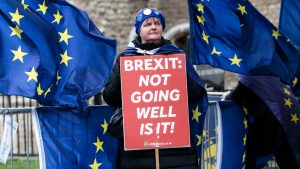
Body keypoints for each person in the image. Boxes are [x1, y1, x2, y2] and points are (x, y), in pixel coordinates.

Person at [102, 8, 207, 169]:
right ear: (139, 30)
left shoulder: (177, 56)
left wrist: (175, 71)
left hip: (175, 149)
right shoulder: (125, 58)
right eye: (147, 24)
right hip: (136, 150)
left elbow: (197, 93)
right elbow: (110, 97)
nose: (153, 27)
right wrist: (125, 74)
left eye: (157, 23)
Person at [223, 74, 300, 169]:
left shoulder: (249, 74)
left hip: (275, 120)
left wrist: (228, 95)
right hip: (286, 116)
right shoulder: (264, 72)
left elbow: (239, 93)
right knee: (287, 155)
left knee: (282, 155)